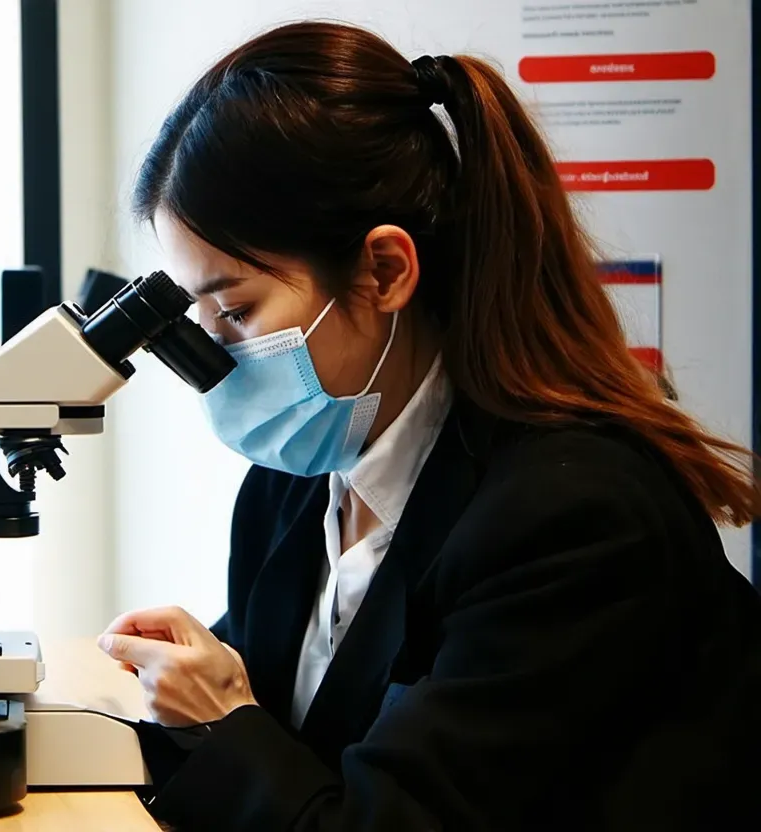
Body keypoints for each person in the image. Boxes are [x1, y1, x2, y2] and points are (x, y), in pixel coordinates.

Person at [95, 20, 761, 832]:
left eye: (235, 311)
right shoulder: (297, 484)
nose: (220, 358)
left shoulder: (575, 518)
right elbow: (271, 738)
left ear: (385, 270)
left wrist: (224, 721)